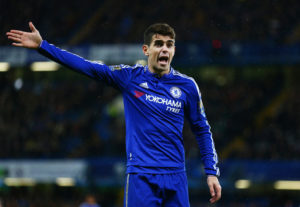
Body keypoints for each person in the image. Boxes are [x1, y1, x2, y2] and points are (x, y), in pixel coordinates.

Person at [7, 22, 221, 206]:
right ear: (146, 50)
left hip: (176, 176)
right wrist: (43, 47)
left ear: (174, 50)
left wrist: (211, 172)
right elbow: (88, 67)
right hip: (141, 176)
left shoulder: (187, 86)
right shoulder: (129, 78)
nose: (164, 49)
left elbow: (202, 130)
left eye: (169, 44)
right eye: (159, 44)